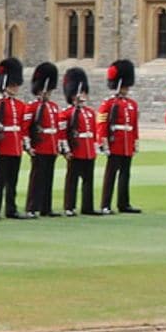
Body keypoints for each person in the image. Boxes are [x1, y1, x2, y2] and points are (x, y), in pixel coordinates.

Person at [97, 60, 141, 215]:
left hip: (127, 143)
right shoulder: (108, 104)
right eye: (124, 86)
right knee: (111, 175)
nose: (126, 89)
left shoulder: (132, 104)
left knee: (125, 174)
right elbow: (102, 124)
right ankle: (105, 204)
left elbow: (134, 126)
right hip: (115, 143)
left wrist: (135, 142)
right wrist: (103, 143)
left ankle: (124, 203)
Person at [0, 58, 28, 219]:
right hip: (2, 145)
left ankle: (11, 209)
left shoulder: (20, 105)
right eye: (13, 85)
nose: (15, 87)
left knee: (13, 181)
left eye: (16, 84)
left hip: (15, 146)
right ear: (5, 85)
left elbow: (22, 127)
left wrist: (24, 144)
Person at [24, 62, 63, 217]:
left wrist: (59, 145)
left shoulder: (53, 106)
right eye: (44, 91)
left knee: (48, 178)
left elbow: (57, 128)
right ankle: (32, 207)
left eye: (48, 91)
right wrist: (28, 146)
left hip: (51, 146)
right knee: (36, 179)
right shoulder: (32, 107)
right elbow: (26, 128)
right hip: (39, 146)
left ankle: (46, 208)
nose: (47, 93)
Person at [61, 67, 99, 216]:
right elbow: (63, 134)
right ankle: (69, 207)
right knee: (72, 180)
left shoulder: (90, 112)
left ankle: (87, 206)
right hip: (76, 150)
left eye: (83, 92)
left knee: (88, 180)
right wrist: (66, 150)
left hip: (88, 150)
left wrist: (95, 148)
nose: (82, 95)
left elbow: (93, 133)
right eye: (79, 92)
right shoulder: (67, 113)